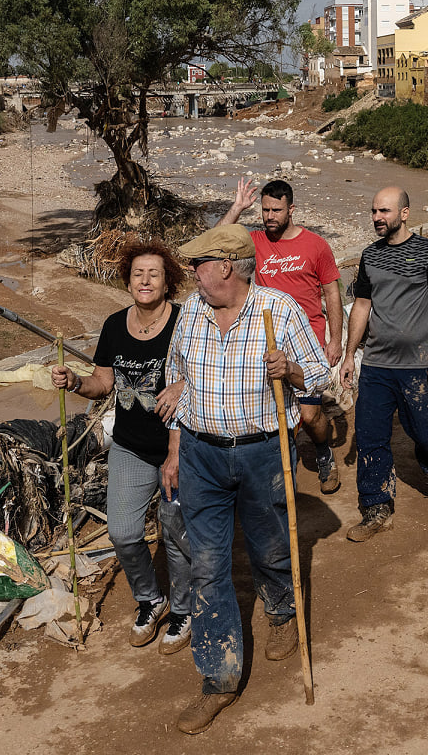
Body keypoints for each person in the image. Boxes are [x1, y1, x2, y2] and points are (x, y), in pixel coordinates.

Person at [166, 224, 330, 734]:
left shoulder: (278, 312)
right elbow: (178, 375)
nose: (192, 275)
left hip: (262, 453)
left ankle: (280, 608)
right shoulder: (191, 311)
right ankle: (218, 679)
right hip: (200, 455)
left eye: (200, 266)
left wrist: (293, 373)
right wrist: (174, 439)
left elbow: (321, 377)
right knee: (208, 566)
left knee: (270, 545)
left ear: (226, 268)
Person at [50, 241, 194, 654]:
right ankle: (152, 598)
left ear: (168, 282)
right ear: (127, 280)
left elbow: (205, 372)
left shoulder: (185, 323)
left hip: (178, 445)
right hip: (130, 446)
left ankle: (183, 610)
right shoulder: (114, 325)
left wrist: (183, 383)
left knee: (175, 533)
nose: (145, 281)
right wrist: (76, 382)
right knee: (124, 532)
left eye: (154, 274)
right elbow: (103, 384)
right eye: (137, 274)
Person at [340, 186, 428, 542]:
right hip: (376, 364)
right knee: (371, 436)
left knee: (425, 431)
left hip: (419, 364)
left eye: (385, 211)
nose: (377, 217)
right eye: (374, 211)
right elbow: (361, 306)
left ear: (404, 214)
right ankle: (377, 507)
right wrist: (349, 355)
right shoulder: (370, 257)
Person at [220, 177, 344, 495]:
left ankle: (323, 451)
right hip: (266, 343)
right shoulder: (255, 242)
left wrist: (334, 340)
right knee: (265, 410)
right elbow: (216, 242)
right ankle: (272, 475)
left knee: (309, 412)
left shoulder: (316, 245)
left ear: (292, 209)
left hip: (307, 342)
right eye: (265, 210)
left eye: (276, 209)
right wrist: (237, 208)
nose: (269, 216)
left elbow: (332, 292)